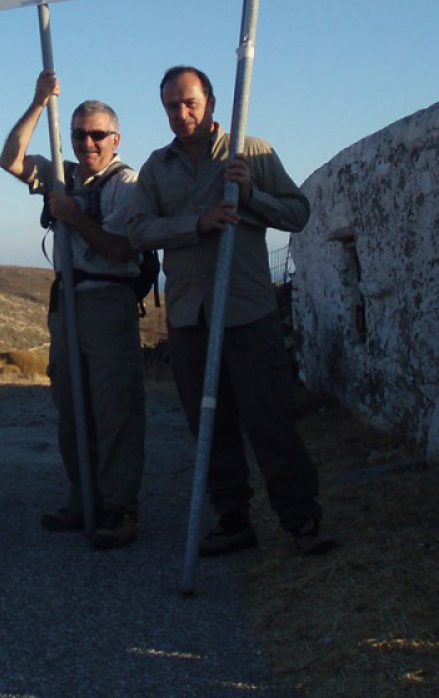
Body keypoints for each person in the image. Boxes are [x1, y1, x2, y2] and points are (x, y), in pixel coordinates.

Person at [127, 66, 335, 556]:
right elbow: (138, 231)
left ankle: (302, 522)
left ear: (212, 103)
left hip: (247, 310)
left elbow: (297, 214)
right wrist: (196, 223)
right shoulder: (157, 167)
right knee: (208, 425)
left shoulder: (251, 153)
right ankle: (233, 521)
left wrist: (249, 195)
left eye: (190, 103)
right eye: (171, 106)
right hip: (189, 318)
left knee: (270, 420)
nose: (181, 114)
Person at [0, 71, 146, 551]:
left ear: (116, 139)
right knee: (72, 405)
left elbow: (122, 249)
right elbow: (11, 160)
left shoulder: (126, 185)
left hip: (107, 300)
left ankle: (119, 508)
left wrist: (73, 216)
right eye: (80, 134)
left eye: (98, 135)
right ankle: (83, 498)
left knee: (113, 406)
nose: (88, 142)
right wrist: (39, 101)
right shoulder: (63, 176)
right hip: (67, 304)